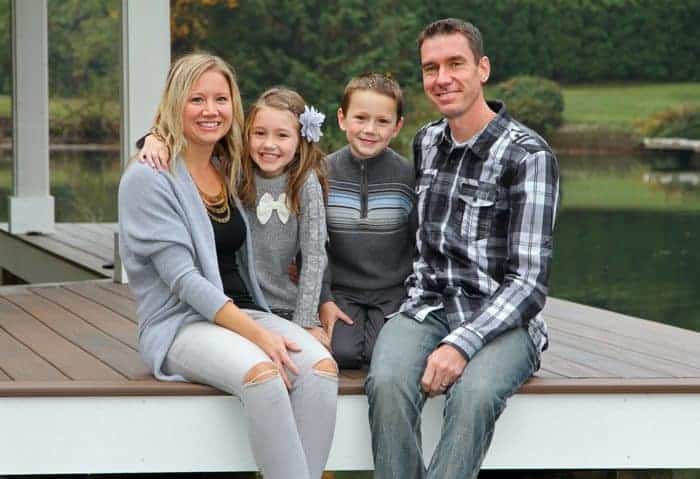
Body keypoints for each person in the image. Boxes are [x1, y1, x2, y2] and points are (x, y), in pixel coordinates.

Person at [118, 53, 337, 479]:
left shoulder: (229, 166)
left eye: (221, 99)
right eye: (196, 99)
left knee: (321, 370)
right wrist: (260, 337)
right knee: (263, 374)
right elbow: (183, 281)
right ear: (175, 103)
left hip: (244, 312)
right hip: (182, 323)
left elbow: (290, 155)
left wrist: (317, 302)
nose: (210, 110)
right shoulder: (149, 179)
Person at [365, 18, 560, 479]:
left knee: (472, 395)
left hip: (504, 320)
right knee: (387, 382)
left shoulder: (528, 155)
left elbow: (529, 284)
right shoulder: (427, 142)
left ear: (483, 69)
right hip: (428, 306)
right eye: (431, 68)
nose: (442, 78)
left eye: (455, 64)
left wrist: (461, 345)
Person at [316, 73, 417, 368]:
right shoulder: (321, 174)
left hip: (393, 292)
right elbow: (312, 247)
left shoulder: (407, 177)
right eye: (360, 118)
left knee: (381, 355)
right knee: (342, 353)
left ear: (397, 126)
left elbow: (418, 241)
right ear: (342, 118)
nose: (370, 130)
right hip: (341, 291)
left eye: (382, 121)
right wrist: (324, 298)